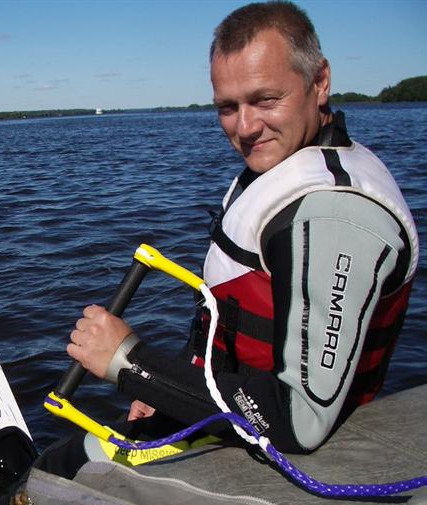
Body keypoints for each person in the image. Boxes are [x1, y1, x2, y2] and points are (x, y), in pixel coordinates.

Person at [67, 0, 418, 455]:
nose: (246, 127)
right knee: (62, 459)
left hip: (273, 446)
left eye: (266, 99)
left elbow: (299, 421)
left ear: (320, 82)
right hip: (227, 412)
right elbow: (228, 324)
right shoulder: (284, 165)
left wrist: (130, 363)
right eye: (228, 107)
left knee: (60, 468)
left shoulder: (334, 216)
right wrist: (166, 388)